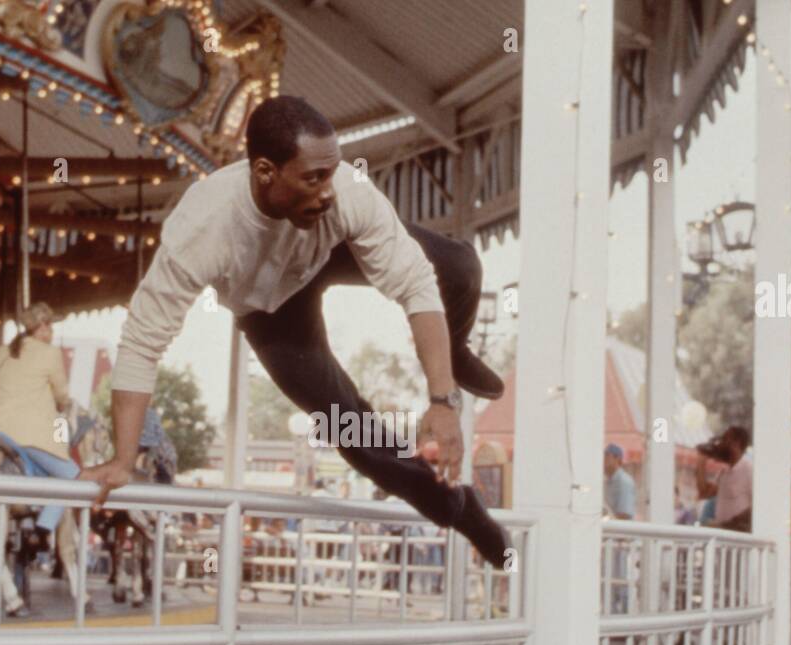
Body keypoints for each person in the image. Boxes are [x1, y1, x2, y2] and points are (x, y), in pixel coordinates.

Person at [83, 96, 510, 568]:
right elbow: (142, 342)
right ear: (265, 171)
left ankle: (455, 349)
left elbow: (414, 282)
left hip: (327, 250)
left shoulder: (344, 193)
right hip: (271, 313)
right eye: (313, 178)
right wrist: (123, 459)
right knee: (348, 426)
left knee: (460, 266)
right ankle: (460, 510)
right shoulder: (203, 227)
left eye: (332, 172)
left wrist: (442, 397)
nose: (328, 190)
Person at [0, 303, 75, 541]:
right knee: (73, 476)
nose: (51, 332)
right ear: (41, 328)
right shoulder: (50, 353)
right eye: (50, 326)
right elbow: (62, 395)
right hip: (28, 436)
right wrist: (62, 405)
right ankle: (43, 529)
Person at [695, 426, 752, 533]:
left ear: (736, 443)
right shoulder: (724, 472)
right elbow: (703, 492)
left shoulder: (749, 469)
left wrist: (729, 524)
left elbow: (755, 507)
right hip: (725, 535)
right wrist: (701, 461)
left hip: (739, 535)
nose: (721, 444)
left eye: (725, 439)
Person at [603, 443, 635, 520]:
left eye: (607, 456)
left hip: (620, 530)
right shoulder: (607, 481)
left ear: (617, 459)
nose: (603, 459)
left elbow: (624, 515)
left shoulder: (624, 482)